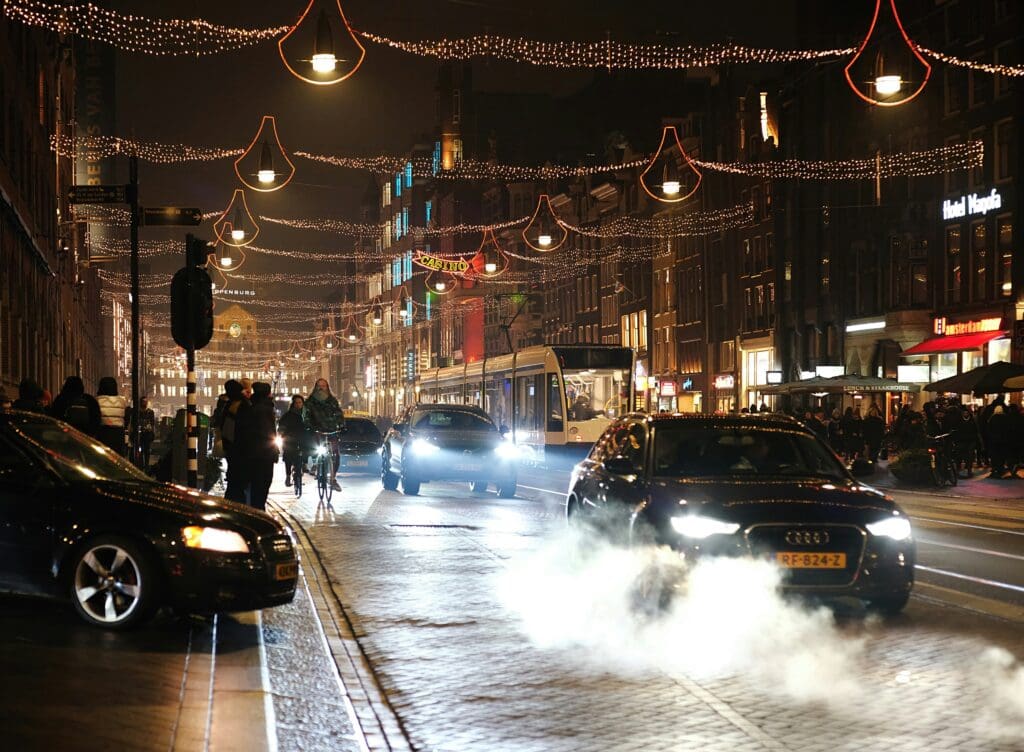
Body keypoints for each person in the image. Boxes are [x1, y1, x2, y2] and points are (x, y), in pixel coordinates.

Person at [217, 379, 254, 504]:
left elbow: (224, 424)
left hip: (236, 447)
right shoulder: (242, 404)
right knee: (237, 480)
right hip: (238, 447)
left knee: (236, 480)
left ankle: (234, 504)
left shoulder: (235, 405)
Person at [304, 378, 345, 492]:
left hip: (331, 430)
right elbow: (306, 415)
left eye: (324, 386)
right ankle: (316, 464)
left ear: (327, 387)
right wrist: (309, 425)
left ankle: (333, 478)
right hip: (317, 430)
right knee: (315, 447)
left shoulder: (332, 401)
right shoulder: (310, 402)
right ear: (316, 387)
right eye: (319, 386)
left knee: (335, 454)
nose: (321, 388)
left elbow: (338, 413)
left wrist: (341, 424)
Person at [248, 382, 279, 510]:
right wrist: (273, 450)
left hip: (254, 452)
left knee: (256, 483)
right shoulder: (265, 408)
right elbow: (268, 432)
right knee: (264, 482)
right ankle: (259, 510)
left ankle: (257, 507)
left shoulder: (252, 405)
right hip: (264, 453)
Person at [278, 395, 308, 487]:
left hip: (302, 438)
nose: (298, 404)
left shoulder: (306, 414)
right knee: (288, 456)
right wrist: (282, 433)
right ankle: (288, 476)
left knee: (307, 446)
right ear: (293, 404)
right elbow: (282, 425)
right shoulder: (288, 415)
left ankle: (305, 464)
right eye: (296, 402)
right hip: (290, 439)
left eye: (300, 402)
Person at [96, 376, 127, 455]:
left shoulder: (97, 401)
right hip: (118, 434)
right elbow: (125, 418)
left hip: (103, 433)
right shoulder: (122, 401)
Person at [132, 397, 157, 468]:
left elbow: (152, 424)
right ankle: (141, 464)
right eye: (143, 401)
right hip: (140, 434)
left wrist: (151, 431)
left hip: (147, 434)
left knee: (147, 450)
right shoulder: (137, 412)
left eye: (146, 401)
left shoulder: (150, 412)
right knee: (140, 450)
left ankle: (146, 464)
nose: (145, 403)